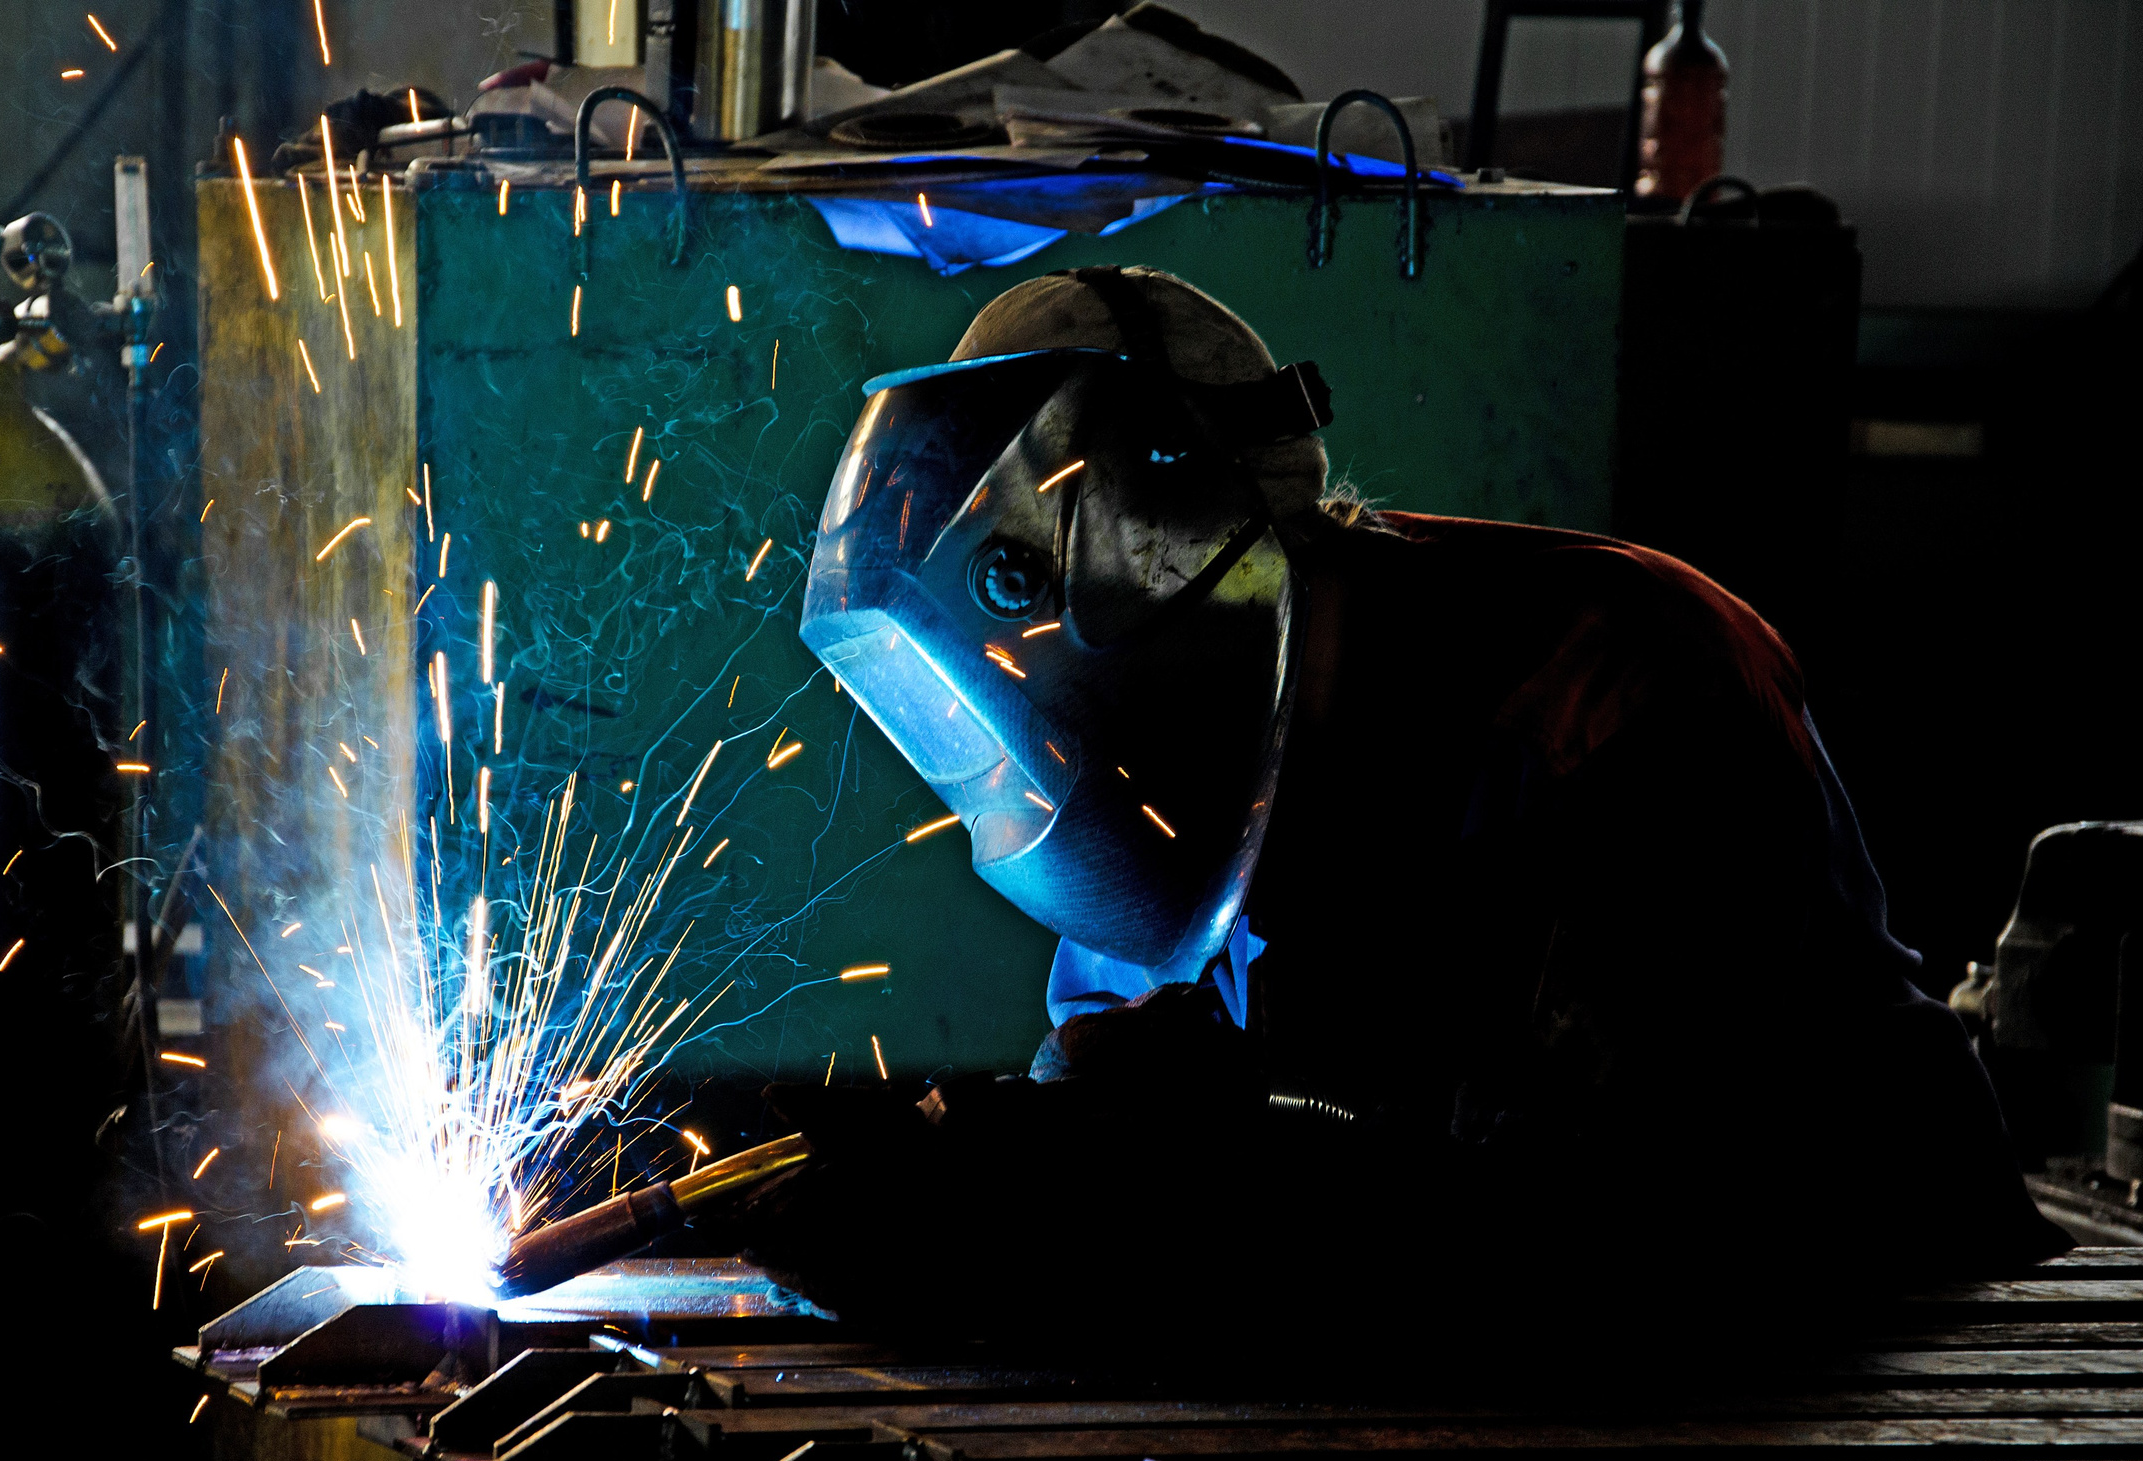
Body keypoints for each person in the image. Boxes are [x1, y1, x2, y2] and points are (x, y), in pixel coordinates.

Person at [748, 266, 2062, 1358]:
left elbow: (1616, 1229)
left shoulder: (1621, 673)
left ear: (1183, 553)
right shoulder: (1162, 803)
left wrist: (1173, 1183)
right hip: (1499, 1320)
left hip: (1843, 1305)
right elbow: (1124, 1105)